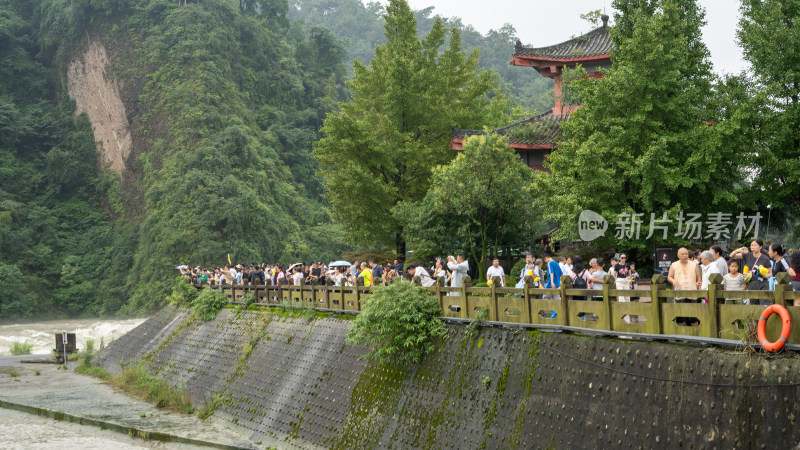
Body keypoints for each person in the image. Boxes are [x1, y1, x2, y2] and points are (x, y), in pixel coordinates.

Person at [730, 239, 771, 304]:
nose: (753, 247)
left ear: (760, 247)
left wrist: (766, 276)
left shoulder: (765, 258)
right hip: (751, 283)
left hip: (762, 283)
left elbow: (770, 273)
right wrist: (739, 250)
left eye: (755, 245)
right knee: (753, 305)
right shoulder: (747, 255)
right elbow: (731, 255)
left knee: (764, 304)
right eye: (751, 245)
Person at [667, 247, 701, 326]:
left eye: (686, 254)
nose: (685, 255)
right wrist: (673, 281)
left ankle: (695, 335)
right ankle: (681, 336)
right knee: (680, 317)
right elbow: (669, 277)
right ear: (678, 255)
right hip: (680, 294)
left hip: (692, 294)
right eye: (682, 254)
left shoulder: (694, 264)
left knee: (694, 317)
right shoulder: (674, 265)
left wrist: (699, 284)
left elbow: (698, 277)